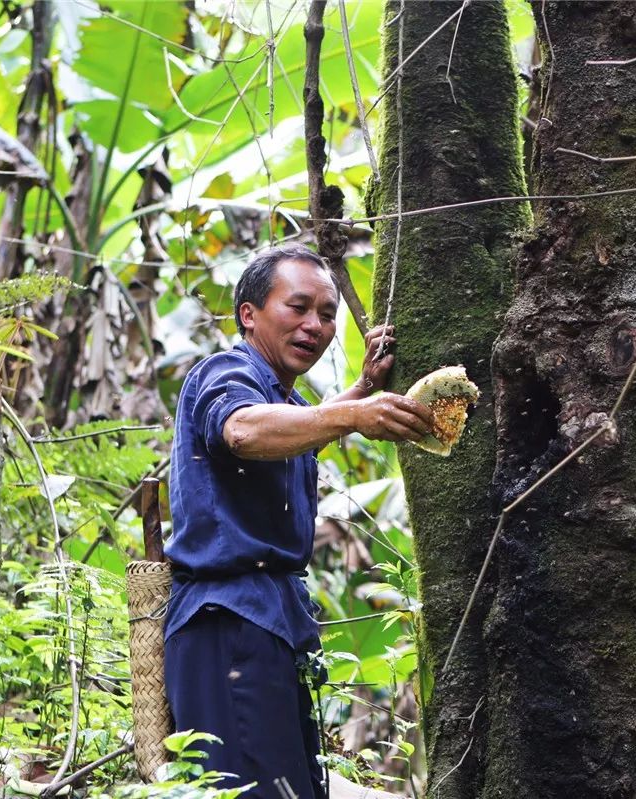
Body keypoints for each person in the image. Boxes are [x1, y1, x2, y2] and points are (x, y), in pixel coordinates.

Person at [163, 243, 434, 799]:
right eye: (298, 307)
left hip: (267, 624)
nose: (316, 325)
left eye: (328, 314)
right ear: (249, 314)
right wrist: (353, 414)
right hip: (229, 622)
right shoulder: (228, 369)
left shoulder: (283, 395)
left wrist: (361, 392)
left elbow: (295, 429)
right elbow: (241, 430)